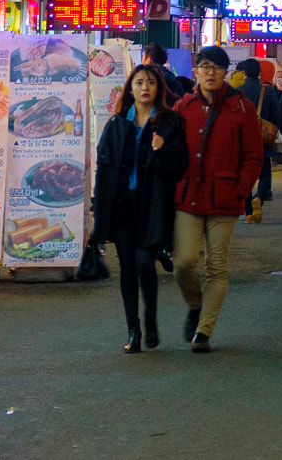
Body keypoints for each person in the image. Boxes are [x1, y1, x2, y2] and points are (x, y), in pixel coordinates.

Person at [171, 45, 264, 352]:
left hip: (225, 198)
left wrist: (242, 189)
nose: (210, 73)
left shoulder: (242, 108)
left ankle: (204, 331)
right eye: (205, 66)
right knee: (183, 262)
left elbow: (253, 155)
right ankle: (195, 304)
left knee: (217, 267)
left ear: (227, 73)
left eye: (217, 68)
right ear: (195, 71)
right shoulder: (183, 107)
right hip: (188, 196)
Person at [92, 64, 188, 352]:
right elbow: (105, 169)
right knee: (128, 268)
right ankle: (133, 329)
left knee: (145, 263)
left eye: (150, 83)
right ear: (130, 89)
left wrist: (161, 149)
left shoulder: (169, 123)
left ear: (158, 88)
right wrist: (100, 210)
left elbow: (178, 165)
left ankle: (151, 318)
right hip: (123, 206)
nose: (145, 88)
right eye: (139, 83)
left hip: (153, 205)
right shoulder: (118, 124)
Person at [235, 58, 282, 216]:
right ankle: (260, 198)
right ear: (260, 73)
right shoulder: (267, 90)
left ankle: (248, 210)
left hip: (244, 140)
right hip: (263, 138)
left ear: (244, 73)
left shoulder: (239, 91)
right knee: (265, 173)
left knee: (246, 173)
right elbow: (277, 114)